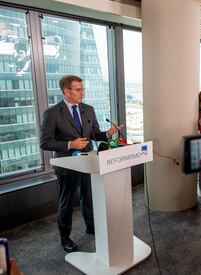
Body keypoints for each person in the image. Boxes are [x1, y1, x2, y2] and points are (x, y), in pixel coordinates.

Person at [40, 75, 122, 252]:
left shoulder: (88, 109)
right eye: (78, 90)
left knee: (89, 197)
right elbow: (45, 142)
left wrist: (108, 133)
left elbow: (94, 134)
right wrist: (70, 144)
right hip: (67, 165)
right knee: (67, 203)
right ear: (66, 91)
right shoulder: (52, 113)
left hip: (89, 161)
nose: (82, 93)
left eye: (82, 89)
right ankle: (65, 238)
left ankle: (91, 227)